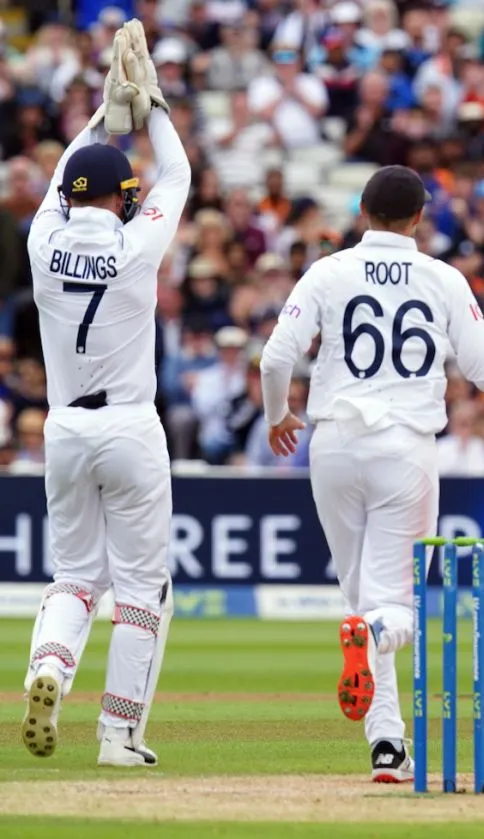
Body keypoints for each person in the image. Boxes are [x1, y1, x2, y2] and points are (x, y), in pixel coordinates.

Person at [258, 165, 484, 783]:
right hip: (405, 446)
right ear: (419, 218)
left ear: (362, 211)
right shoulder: (443, 277)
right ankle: (371, 641)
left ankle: (387, 746)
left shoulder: (329, 270)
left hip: (334, 442)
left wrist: (276, 416)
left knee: (360, 597)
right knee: (392, 607)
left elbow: (274, 356)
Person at [21, 23, 189, 766]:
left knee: (74, 578)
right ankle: (119, 733)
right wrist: (150, 106)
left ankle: (49, 667)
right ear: (122, 197)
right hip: (128, 427)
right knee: (143, 590)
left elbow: (63, 179)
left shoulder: (41, 240)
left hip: (64, 427)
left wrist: (98, 115)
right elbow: (177, 176)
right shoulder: (135, 245)